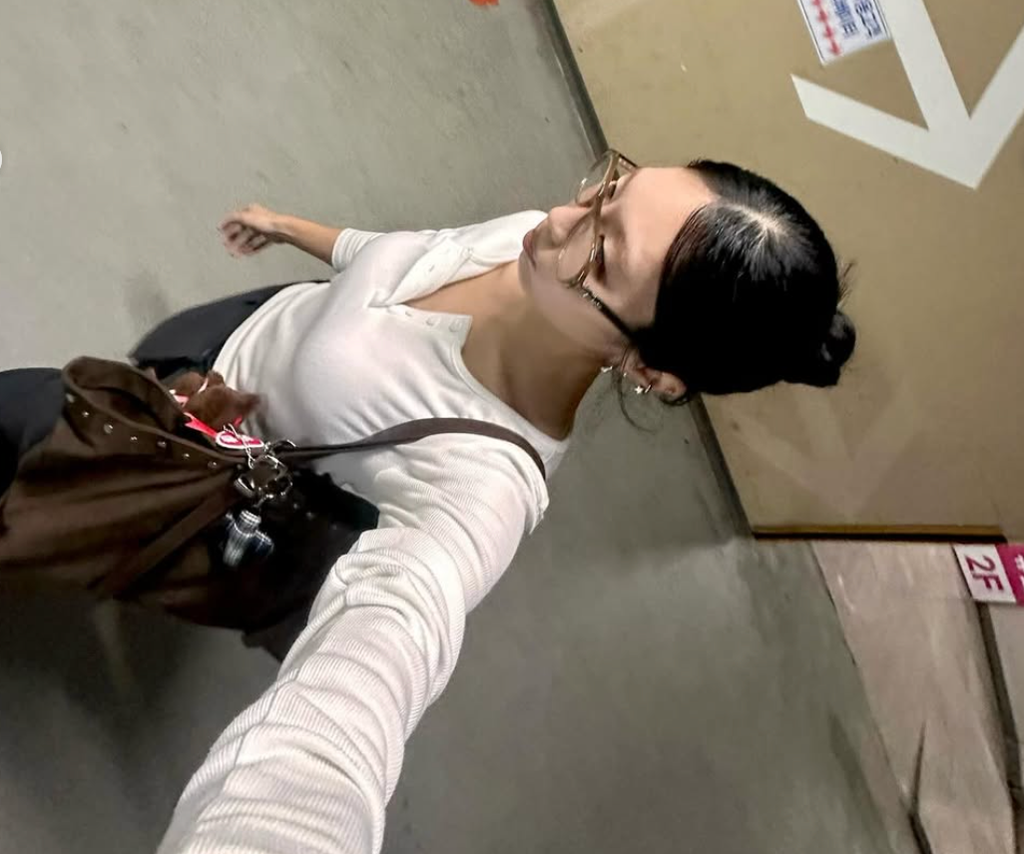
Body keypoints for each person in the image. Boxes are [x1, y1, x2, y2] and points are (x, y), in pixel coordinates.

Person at [148, 150, 855, 854]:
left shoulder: (485, 484)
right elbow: (402, 255)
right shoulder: (534, 244)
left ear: (649, 368)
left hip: (203, 459)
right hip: (234, 334)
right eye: (610, 190)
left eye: (602, 253)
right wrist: (286, 225)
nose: (561, 218)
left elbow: (374, 670)